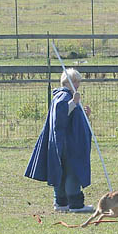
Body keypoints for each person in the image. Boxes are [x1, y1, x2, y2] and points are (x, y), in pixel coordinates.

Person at [25, 68, 95, 213]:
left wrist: (85, 115)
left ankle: (61, 202)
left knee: (63, 172)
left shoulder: (68, 96)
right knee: (72, 172)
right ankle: (75, 204)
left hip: (68, 142)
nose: (77, 84)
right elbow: (60, 117)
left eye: (78, 82)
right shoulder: (64, 97)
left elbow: (73, 120)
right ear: (66, 82)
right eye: (74, 81)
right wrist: (73, 103)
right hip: (68, 145)